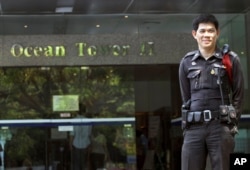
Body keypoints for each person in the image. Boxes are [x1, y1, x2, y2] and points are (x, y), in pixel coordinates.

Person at [179, 14, 244, 170]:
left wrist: (231, 125)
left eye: (210, 31)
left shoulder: (230, 60)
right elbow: (186, 97)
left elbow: (239, 95)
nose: (206, 35)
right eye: (202, 31)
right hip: (193, 128)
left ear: (217, 33)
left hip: (220, 127)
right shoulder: (187, 62)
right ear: (195, 34)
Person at [69, 105, 92, 170]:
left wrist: (70, 145)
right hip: (86, 144)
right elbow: (89, 135)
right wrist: (90, 145)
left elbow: (72, 134)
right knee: (84, 163)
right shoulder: (89, 121)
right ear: (85, 111)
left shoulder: (73, 120)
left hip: (76, 145)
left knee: (76, 164)